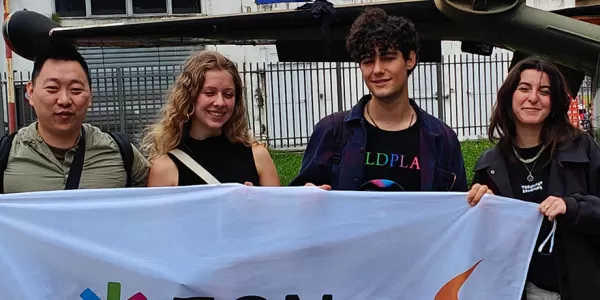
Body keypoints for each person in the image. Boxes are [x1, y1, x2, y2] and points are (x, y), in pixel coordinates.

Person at [289, 7, 467, 192]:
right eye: (367, 61)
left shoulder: (442, 139)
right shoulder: (332, 132)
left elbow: (459, 210)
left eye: (388, 58)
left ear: (410, 60)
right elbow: (299, 199)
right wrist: (304, 196)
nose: (377, 70)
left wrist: (482, 201)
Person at [467, 57, 600, 299]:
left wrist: (572, 207)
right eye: (524, 88)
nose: (533, 98)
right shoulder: (489, 166)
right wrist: (480, 210)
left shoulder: (582, 148)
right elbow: (477, 244)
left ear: (554, 102)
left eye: (544, 91)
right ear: (510, 97)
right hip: (523, 291)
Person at [0, 42, 149, 193]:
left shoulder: (122, 153)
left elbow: (159, 201)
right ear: (31, 92)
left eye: (76, 90)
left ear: (90, 95)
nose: (64, 100)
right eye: (52, 88)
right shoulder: (6, 155)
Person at [141, 50, 280, 187]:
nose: (220, 102)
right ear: (190, 97)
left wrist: (256, 204)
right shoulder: (165, 168)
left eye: (228, 94)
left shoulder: (258, 156)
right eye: (209, 93)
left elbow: (280, 209)